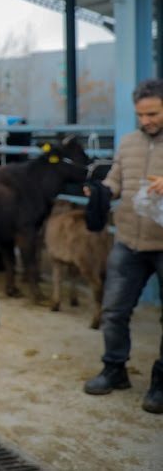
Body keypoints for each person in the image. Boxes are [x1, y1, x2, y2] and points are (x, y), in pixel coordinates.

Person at [83, 78, 163, 414]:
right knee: (114, 311)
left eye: (153, 113)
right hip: (128, 241)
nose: (146, 121)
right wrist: (101, 190)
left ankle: (161, 383)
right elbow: (116, 180)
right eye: (141, 115)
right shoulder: (128, 143)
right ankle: (115, 369)